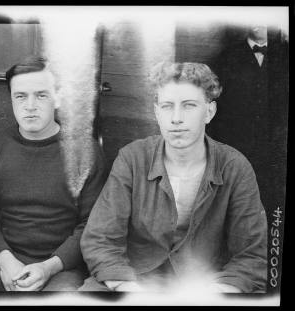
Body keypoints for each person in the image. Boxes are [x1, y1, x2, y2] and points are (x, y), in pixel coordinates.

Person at [79, 61, 267, 293]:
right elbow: (100, 238)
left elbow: (252, 253)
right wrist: (128, 288)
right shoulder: (132, 158)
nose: (176, 118)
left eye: (188, 106)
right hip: (135, 279)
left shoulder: (235, 166)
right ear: (157, 113)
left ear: (209, 112)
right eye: (167, 106)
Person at [0, 56, 107, 291]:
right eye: (21, 96)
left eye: (41, 95)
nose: (30, 105)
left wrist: (48, 268)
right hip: (3, 259)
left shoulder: (85, 152)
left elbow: (91, 225)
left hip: (61, 266)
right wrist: (6, 262)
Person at [208, 25, 288, 281]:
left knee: (273, 212)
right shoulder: (224, 58)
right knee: (235, 211)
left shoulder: (285, 55)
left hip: (277, 157)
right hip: (238, 152)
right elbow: (214, 114)